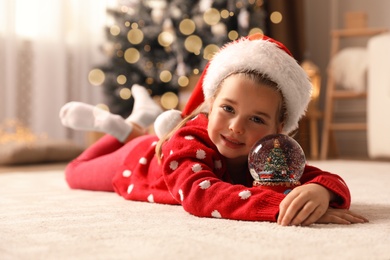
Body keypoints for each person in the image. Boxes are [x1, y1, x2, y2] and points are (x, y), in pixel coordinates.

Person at [59, 34, 368, 226]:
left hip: (156, 143)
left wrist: (320, 191)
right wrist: (279, 207)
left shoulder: (272, 154)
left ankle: (139, 121)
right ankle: (120, 128)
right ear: (210, 105)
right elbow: (202, 197)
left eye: (257, 119)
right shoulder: (187, 139)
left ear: (279, 130)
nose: (236, 127)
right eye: (228, 109)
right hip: (137, 160)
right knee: (74, 172)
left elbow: (321, 176)